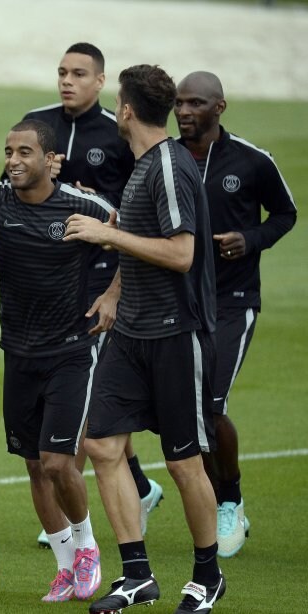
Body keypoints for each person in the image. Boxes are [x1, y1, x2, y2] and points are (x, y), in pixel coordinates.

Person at [0, 118, 114, 602]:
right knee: (34, 465)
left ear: (51, 160)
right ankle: (65, 564)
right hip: (18, 353)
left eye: (25, 152)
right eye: (9, 151)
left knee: (57, 462)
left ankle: (88, 545)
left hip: (72, 351)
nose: (13, 160)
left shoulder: (81, 205)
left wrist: (113, 295)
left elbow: (131, 236)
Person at [65, 65, 225, 613]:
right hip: (131, 331)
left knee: (184, 465)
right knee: (102, 445)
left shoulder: (168, 167)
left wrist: (107, 234)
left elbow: (180, 253)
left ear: (127, 110)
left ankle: (208, 575)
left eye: (116, 103)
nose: (114, 110)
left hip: (176, 335)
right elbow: (144, 240)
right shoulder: (140, 167)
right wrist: (113, 290)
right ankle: (137, 575)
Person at [18, 42, 163, 547]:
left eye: (79, 73)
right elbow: (10, 184)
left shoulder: (116, 135)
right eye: (61, 72)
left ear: (100, 82)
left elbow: (133, 211)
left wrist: (116, 289)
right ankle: (141, 488)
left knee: (82, 401)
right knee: (87, 404)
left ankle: (74, 516)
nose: (67, 80)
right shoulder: (36, 125)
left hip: (99, 282)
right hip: (46, 282)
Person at [174, 71, 297, 558]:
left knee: (211, 405)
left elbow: (285, 214)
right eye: (179, 103)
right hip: (180, 302)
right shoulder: (167, 157)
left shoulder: (252, 161)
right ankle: (200, 500)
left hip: (233, 301)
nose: (184, 111)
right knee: (185, 411)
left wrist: (252, 239)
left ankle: (231, 503)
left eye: (195, 103)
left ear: (219, 107)